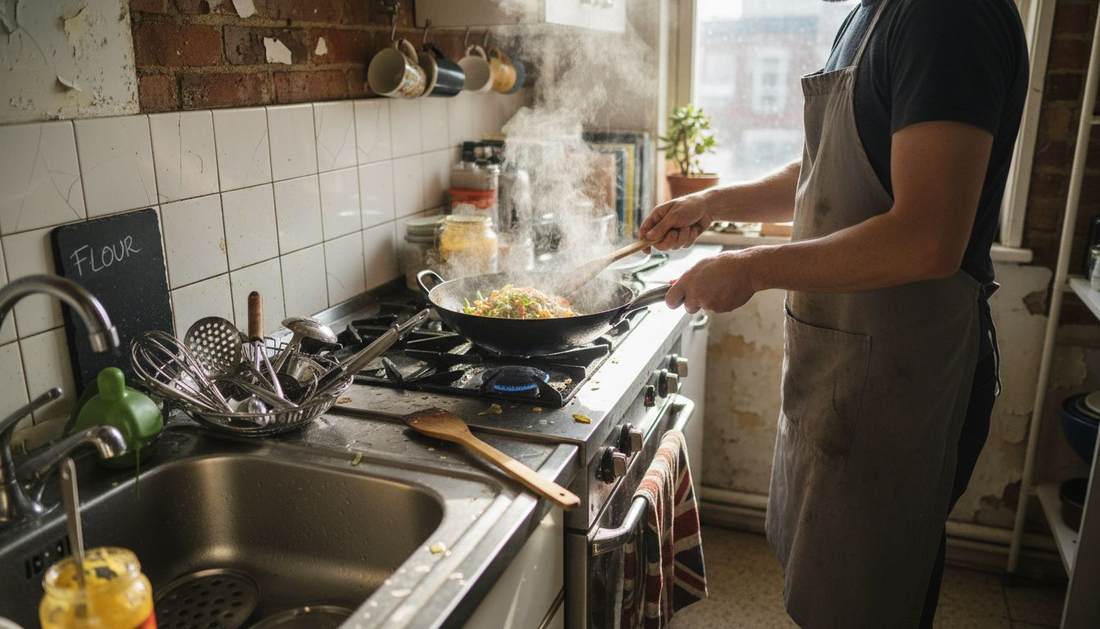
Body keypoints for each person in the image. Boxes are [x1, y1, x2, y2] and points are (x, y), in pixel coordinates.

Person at [640, 0, 1028, 626]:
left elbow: (927, 237)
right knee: (833, 586)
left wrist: (752, 268)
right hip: (850, 356)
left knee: (873, 598)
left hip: (904, 367)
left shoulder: (948, 17)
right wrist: (715, 201)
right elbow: (823, 165)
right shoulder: (871, 15)